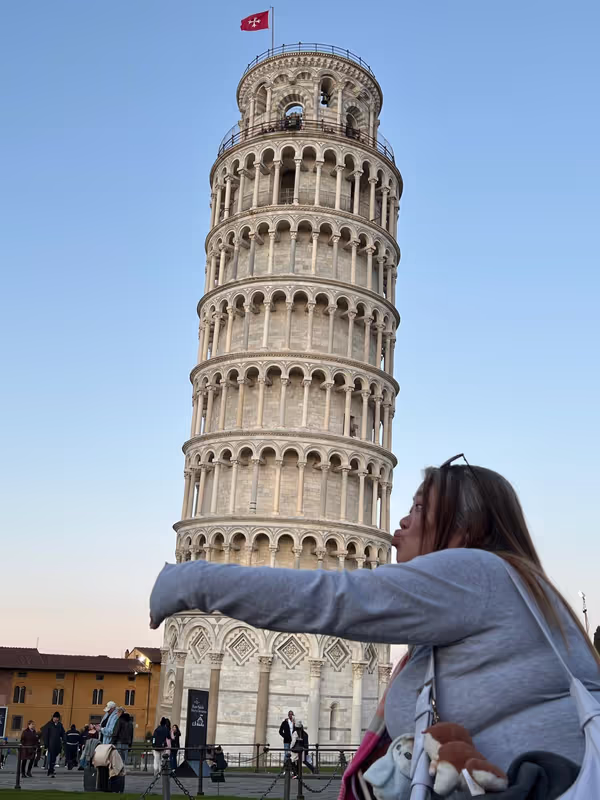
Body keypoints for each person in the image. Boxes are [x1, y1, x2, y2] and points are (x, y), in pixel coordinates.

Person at [150, 457, 600, 781]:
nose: (399, 522)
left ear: (466, 529)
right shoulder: (517, 585)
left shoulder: (474, 572)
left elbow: (330, 598)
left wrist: (194, 581)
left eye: (421, 508)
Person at [42, 712, 65, 778]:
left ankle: (51, 770)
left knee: (54, 757)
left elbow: (63, 733)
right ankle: (51, 770)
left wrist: (64, 739)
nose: (56, 719)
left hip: (57, 744)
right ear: (53, 718)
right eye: (55, 718)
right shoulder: (49, 724)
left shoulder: (60, 725)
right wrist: (46, 744)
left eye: (57, 718)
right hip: (51, 744)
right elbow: (45, 734)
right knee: (52, 757)